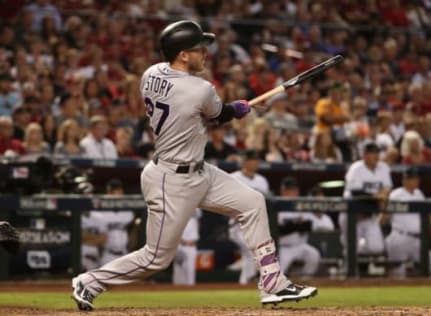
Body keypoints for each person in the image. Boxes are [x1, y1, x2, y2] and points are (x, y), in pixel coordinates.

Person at [72, 20, 316, 311]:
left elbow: (205, 113)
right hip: (171, 180)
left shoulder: (150, 74)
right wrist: (239, 109)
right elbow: (220, 113)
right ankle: (89, 281)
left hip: (199, 171)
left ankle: (273, 283)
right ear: (183, 55)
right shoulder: (200, 88)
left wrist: (232, 109)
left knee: (252, 202)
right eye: (200, 49)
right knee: (156, 259)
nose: (205, 54)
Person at [384, 167, 431, 278]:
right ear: (404, 180)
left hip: (417, 239)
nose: (414, 181)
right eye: (410, 178)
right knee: (397, 273)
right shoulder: (396, 194)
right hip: (399, 237)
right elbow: (385, 215)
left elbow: (428, 213)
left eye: (415, 178)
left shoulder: (419, 194)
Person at [340, 143, 392, 255]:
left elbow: (387, 188)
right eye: (372, 153)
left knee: (377, 248)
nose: (376, 156)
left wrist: (382, 196)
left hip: (369, 214)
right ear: (364, 155)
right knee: (351, 247)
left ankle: (356, 253)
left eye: (377, 153)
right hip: (352, 215)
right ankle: (347, 262)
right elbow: (356, 193)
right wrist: (377, 197)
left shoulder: (383, 168)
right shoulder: (356, 168)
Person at [277, 177, 334, 278]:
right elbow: (279, 230)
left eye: (294, 190)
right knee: (277, 274)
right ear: (283, 191)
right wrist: (296, 225)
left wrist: (294, 225)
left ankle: (304, 281)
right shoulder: (278, 207)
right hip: (284, 247)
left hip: (300, 245)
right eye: (289, 190)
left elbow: (308, 226)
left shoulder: (302, 206)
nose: (292, 192)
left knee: (314, 255)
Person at [229, 149, 269, 284]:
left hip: (256, 226)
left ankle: (246, 282)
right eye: (252, 160)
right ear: (244, 161)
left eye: (257, 160)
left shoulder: (262, 181)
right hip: (238, 225)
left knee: (253, 254)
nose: (256, 163)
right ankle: (246, 282)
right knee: (251, 251)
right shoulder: (234, 178)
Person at [173, 209, 201, 285]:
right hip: (180, 245)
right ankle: (176, 294)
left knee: (190, 273)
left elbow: (198, 223)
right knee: (178, 273)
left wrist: (195, 239)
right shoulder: (178, 207)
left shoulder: (197, 208)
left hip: (191, 246)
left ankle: (190, 293)